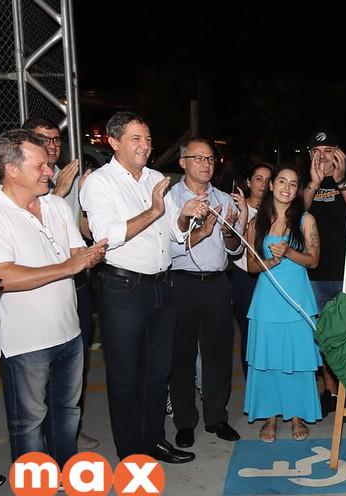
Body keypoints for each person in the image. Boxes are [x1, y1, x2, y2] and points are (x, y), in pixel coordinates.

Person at [0, 129, 107, 496]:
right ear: (10, 169)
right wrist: (70, 265)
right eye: (39, 164)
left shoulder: (55, 205)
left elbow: (75, 252)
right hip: (25, 341)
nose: (48, 170)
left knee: (67, 410)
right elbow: (2, 276)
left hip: (69, 331)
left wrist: (89, 255)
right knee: (29, 420)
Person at [80, 111, 207, 464]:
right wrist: (154, 210)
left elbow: (174, 235)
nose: (145, 145)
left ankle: (154, 440)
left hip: (162, 286)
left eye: (148, 139)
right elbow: (106, 236)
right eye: (136, 138)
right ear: (113, 141)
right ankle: (130, 452)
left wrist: (185, 216)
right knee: (124, 376)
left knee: (157, 372)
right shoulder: (100, 183)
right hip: (123, 288)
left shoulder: (155, 178)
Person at [22, 117, 100, 451]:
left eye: (56, 140)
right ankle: (38, 444)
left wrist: (82, 200)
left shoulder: (72, 176)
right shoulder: (23, 188)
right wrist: (58, 192)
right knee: (36, 378)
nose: (52, 146)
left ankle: (68, 430)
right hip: (36, 293)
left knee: (74, 365)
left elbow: (82, 234)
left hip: (76, 288)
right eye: (43, 140)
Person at [168, 138, 247, 448]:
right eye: (198, 158)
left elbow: (236, 248)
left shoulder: (225, 199)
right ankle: (185, 422)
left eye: (211, 159)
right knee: (181, 355)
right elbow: (170, 247)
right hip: (181, 282)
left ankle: (217, 417)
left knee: (217, 355)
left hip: (216, 282)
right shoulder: (170, 199)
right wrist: (198, 227)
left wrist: (228, 232)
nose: (205, 164)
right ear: (182, 162)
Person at [244, 167, 322, 442]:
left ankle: (298, 416)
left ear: (298, 189)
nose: (286, 188)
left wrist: (289, 252)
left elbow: (313, 261)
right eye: (281, 181)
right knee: (268, 360)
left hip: (297, 298)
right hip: (267, 300)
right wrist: (273, 261)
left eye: (293, 183)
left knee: (298, 360)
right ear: (272, 186)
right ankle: (270, 418)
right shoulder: (257, 223)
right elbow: (252, 267)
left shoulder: (305, 220)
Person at [302, 129, 346, 416]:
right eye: (317, 151)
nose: (323, 156)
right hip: (315, 275)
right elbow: (294, 213)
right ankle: (330, 390)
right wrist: (313, 183)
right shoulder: (305, 185)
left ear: (339, 153)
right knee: (322, 339)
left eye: (329, 150)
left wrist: (340, 180)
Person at [232, 162, 272, 378]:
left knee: (269, 334)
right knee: (249, 334)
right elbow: (232, 242)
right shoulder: (236, 206)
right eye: (258, 179)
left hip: (270, 276)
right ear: (248, 182)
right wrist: (244, 214)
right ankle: (253, 388)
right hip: (245, 277)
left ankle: (269, 385)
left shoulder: (277, 210)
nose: (263, 184)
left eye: (267, 180)